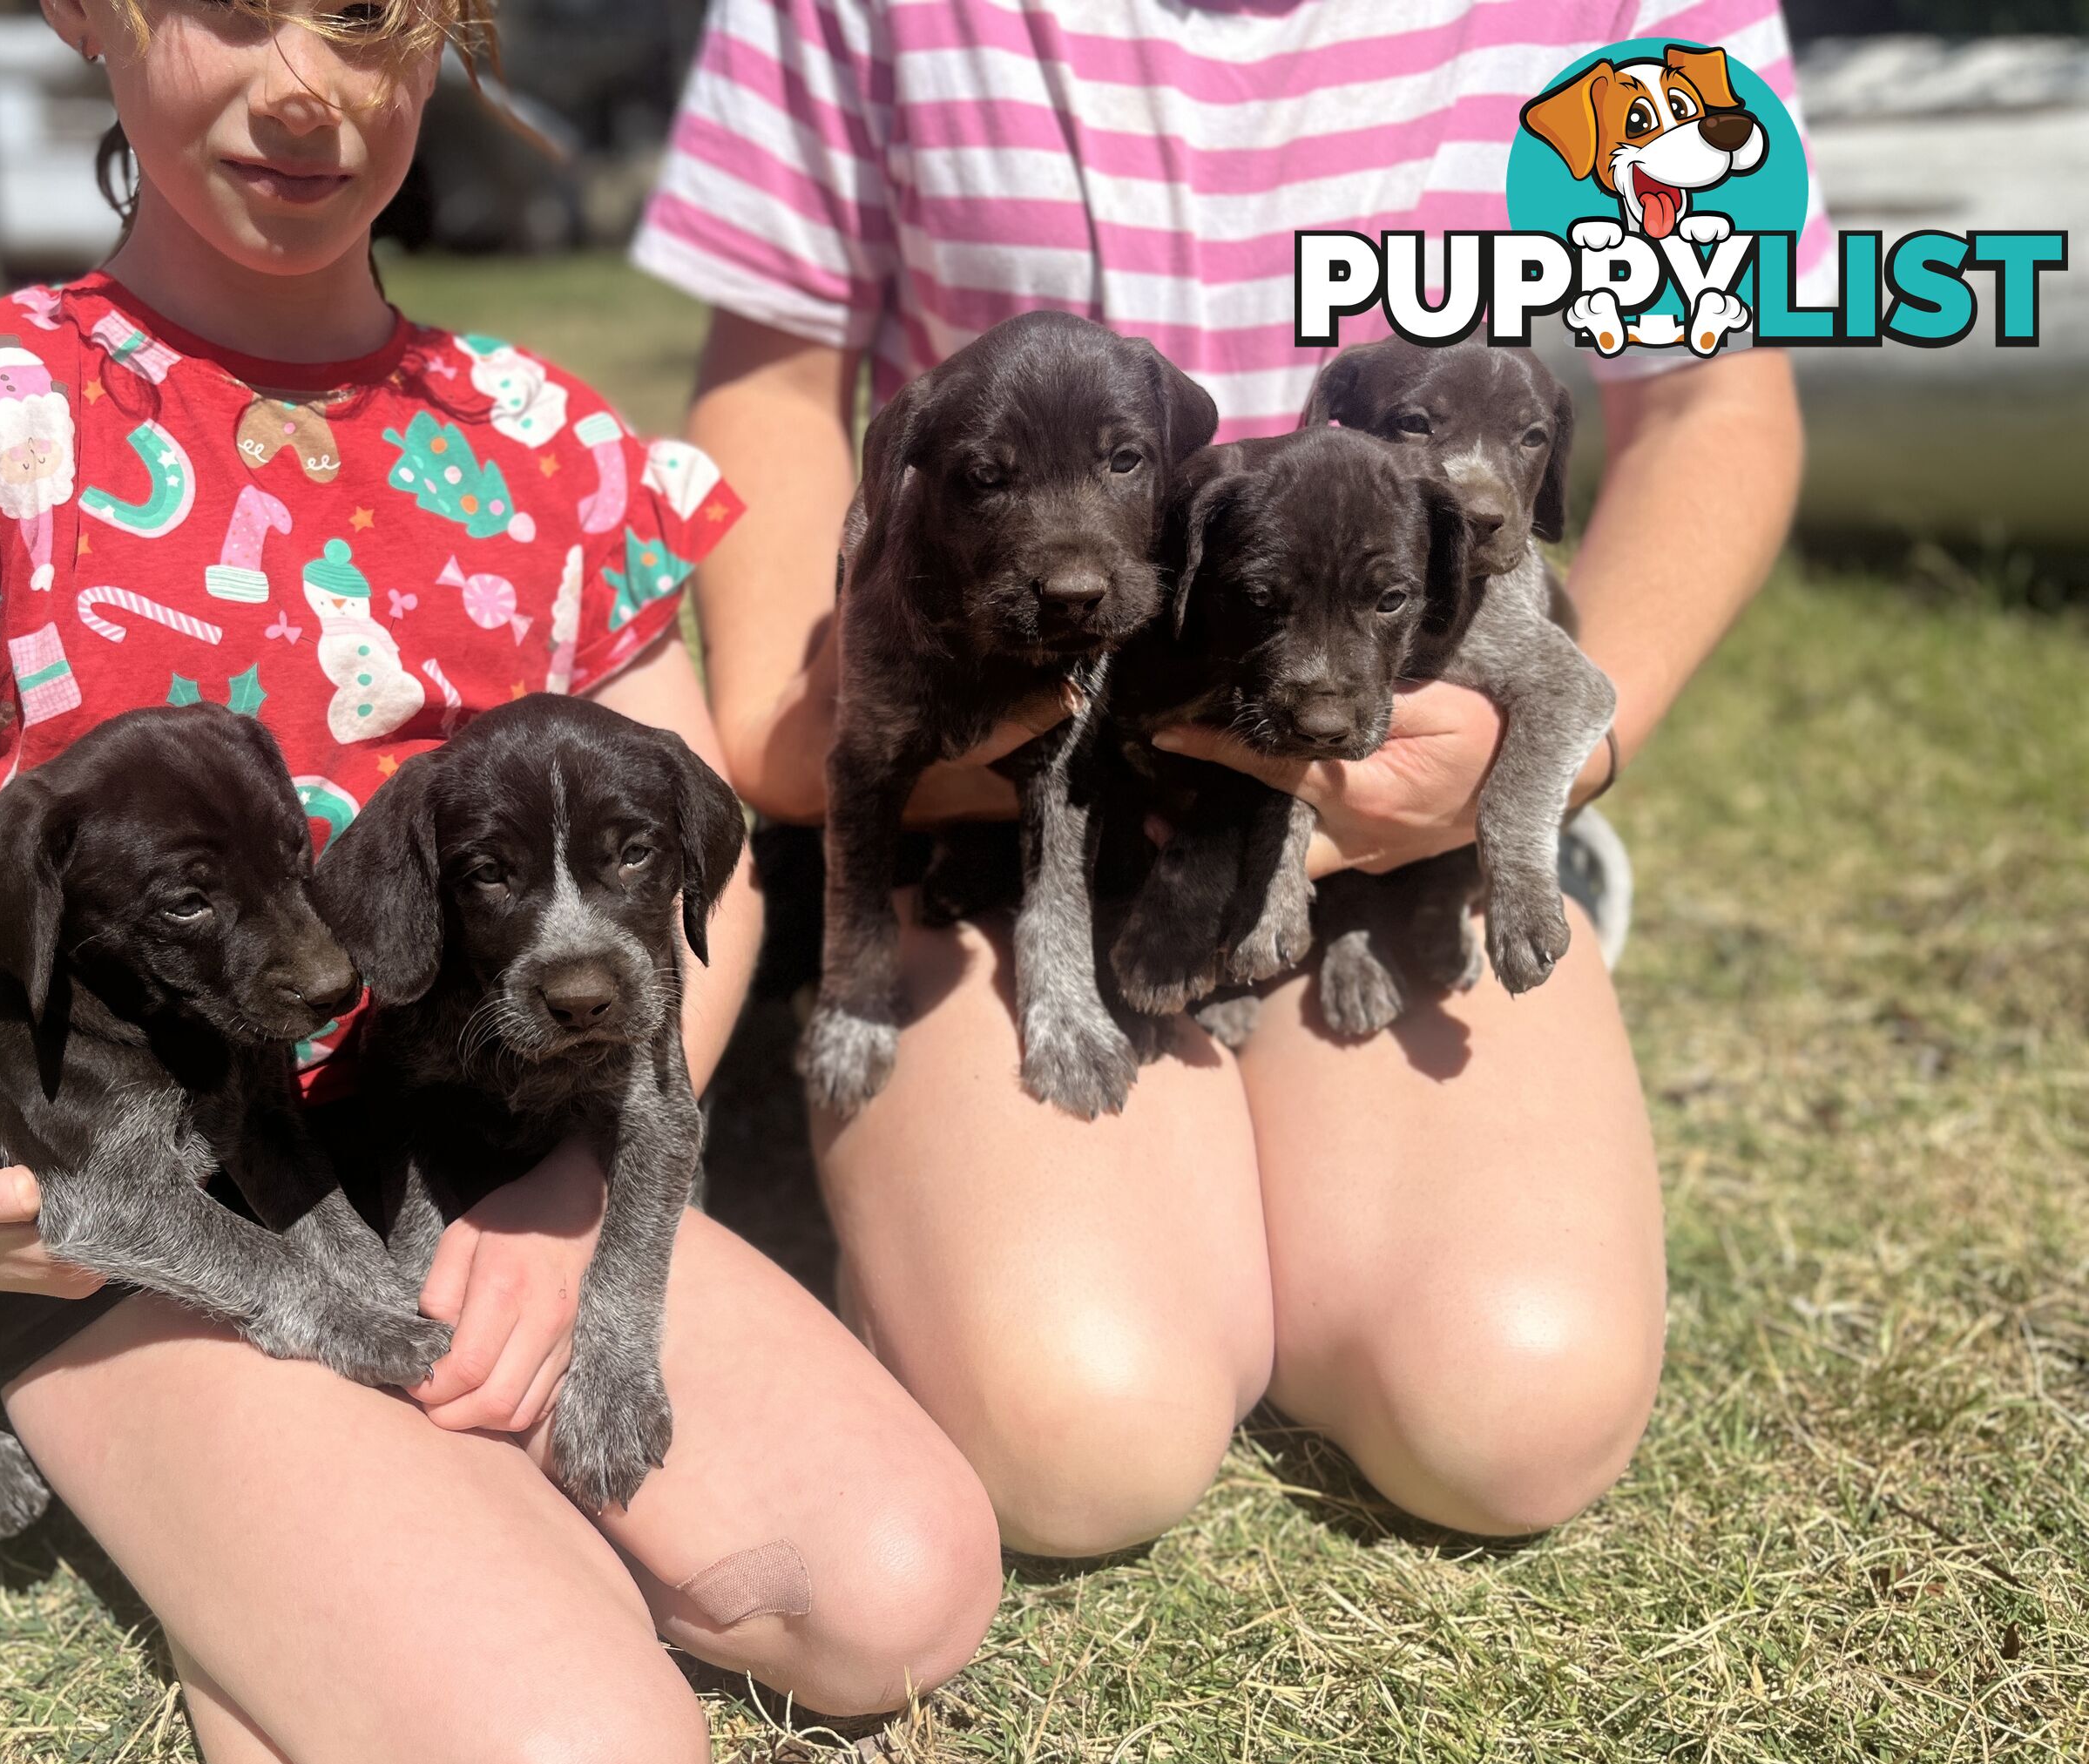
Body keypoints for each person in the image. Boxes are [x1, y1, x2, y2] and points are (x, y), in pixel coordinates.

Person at [0, 4, 1003, 1764]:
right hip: (160, 1225)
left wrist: (572, 1186)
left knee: (901, 1591)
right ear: (92, 17)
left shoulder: (542, 449)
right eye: (234, 7)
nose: (305, 83)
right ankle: (265, 1558)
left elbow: (696, 882)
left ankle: (346, 1576)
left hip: (478, 1154)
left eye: (365, 18)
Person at [632, 0, 1828, 1557]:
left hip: (1394, 794)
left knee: (1507, 1407)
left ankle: (1453, 908)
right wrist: (827, 708)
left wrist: (1545, 763)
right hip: (1018, 788)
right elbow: (775, 381)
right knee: (1081, 1432)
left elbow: (1710, 398)